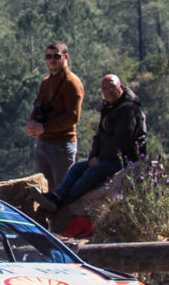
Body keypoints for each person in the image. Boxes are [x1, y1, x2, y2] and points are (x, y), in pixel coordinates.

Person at [38, 74, 146, 212]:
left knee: (92, 173)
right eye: (104, 88)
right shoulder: (109, 107)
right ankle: (56, 196)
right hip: (107, 157)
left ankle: (61, 205)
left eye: (112, 87)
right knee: (76, 168)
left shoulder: (129, 109)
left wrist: (100, 159)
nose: (108, 91)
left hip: (125, 159)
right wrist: (93, 156)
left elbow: (122, 142)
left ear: (121, 87)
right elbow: (99, 136)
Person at [25, 41, 84, 191]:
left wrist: (44, 127)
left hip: (62, 144)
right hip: (43, 143)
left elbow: (73, 116)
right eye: (48, 56)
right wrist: (32, 123)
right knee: (47, 191)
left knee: (62, 191)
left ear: (66, 57)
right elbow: (38, 105)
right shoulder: (46, 82)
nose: (52, 60)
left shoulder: (72, 83)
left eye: (56, 56)